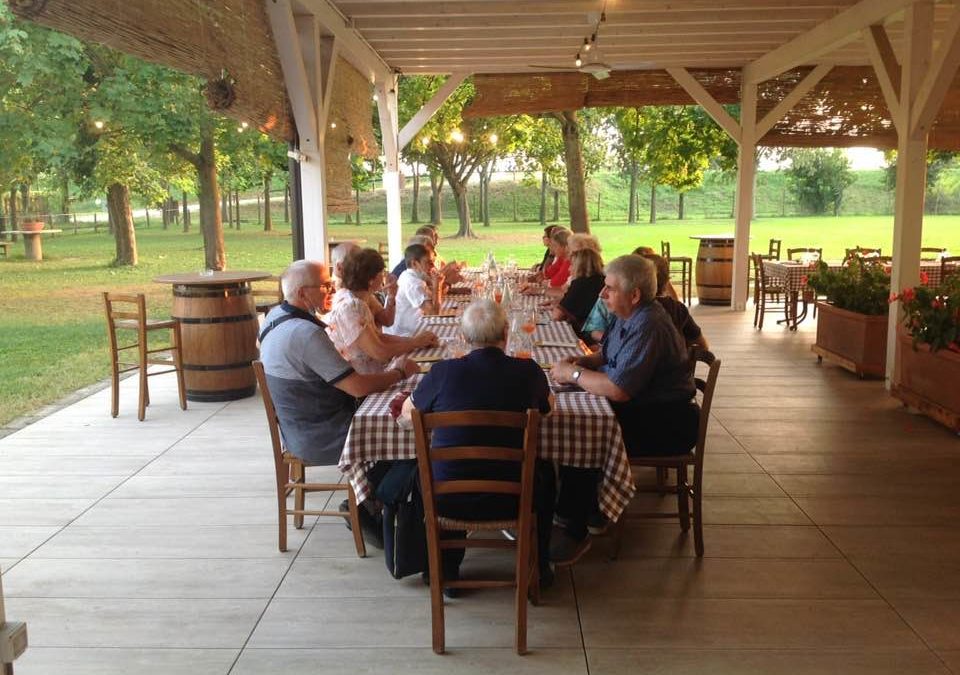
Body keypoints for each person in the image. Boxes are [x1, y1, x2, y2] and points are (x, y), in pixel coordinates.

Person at [549, 255, 699, 563]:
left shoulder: (649, 324)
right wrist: (584, 362)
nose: (602, 295)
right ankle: (584, 509)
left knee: (584, 428)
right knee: (581, 417)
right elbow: (608, 353)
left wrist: (573, 375)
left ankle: (575, 529)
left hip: (667, 423)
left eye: (610, 289)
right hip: (647, 410)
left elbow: (619, 390)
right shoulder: (627, 314)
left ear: (634, 295)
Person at [399, 299, 556, 589]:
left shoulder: (442, 373)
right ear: (506, 333)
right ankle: (539, 565)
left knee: (422, 473)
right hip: (515, 496)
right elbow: (548, 409)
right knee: (547, 472)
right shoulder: (528, 371)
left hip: (447, 497)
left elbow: (409, 416)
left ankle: (444, 569)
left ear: (463, 337)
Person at [258, 260, 420, 466]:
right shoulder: (306, 334)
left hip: (295, 433)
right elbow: (358, 388)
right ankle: (379, 494)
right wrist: (400, 372)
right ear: (302, 293)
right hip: (327, 436)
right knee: (414, 428)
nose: (331, 290)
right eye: (324, 286)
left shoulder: (273, 317)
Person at [326, 248, 438, 373]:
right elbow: (379, 352)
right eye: (382, 271)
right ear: (371, 278)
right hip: (367, 381)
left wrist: (417, 341)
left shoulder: (360, 297)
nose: (385, 275)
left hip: (376, 371)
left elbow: (382, 330)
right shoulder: (351, 306)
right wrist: (415, 343)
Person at [384, 243, 445, 337]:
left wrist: (437, 285)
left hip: (408, 330)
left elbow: (433, 303)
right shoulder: (413, 283)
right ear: (414, 263)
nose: (432, 266)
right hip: (401, 335)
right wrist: (438, 285)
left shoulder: (408, 275)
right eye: (428, 262)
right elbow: (434, 313)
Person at [552, 248, 605, 335]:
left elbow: (557, 316)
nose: (569, 269)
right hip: (599, 332)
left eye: (571, 265)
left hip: (586, 335)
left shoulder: (580, 283)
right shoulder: (602, 280)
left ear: (579, 266)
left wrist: (557, 306)